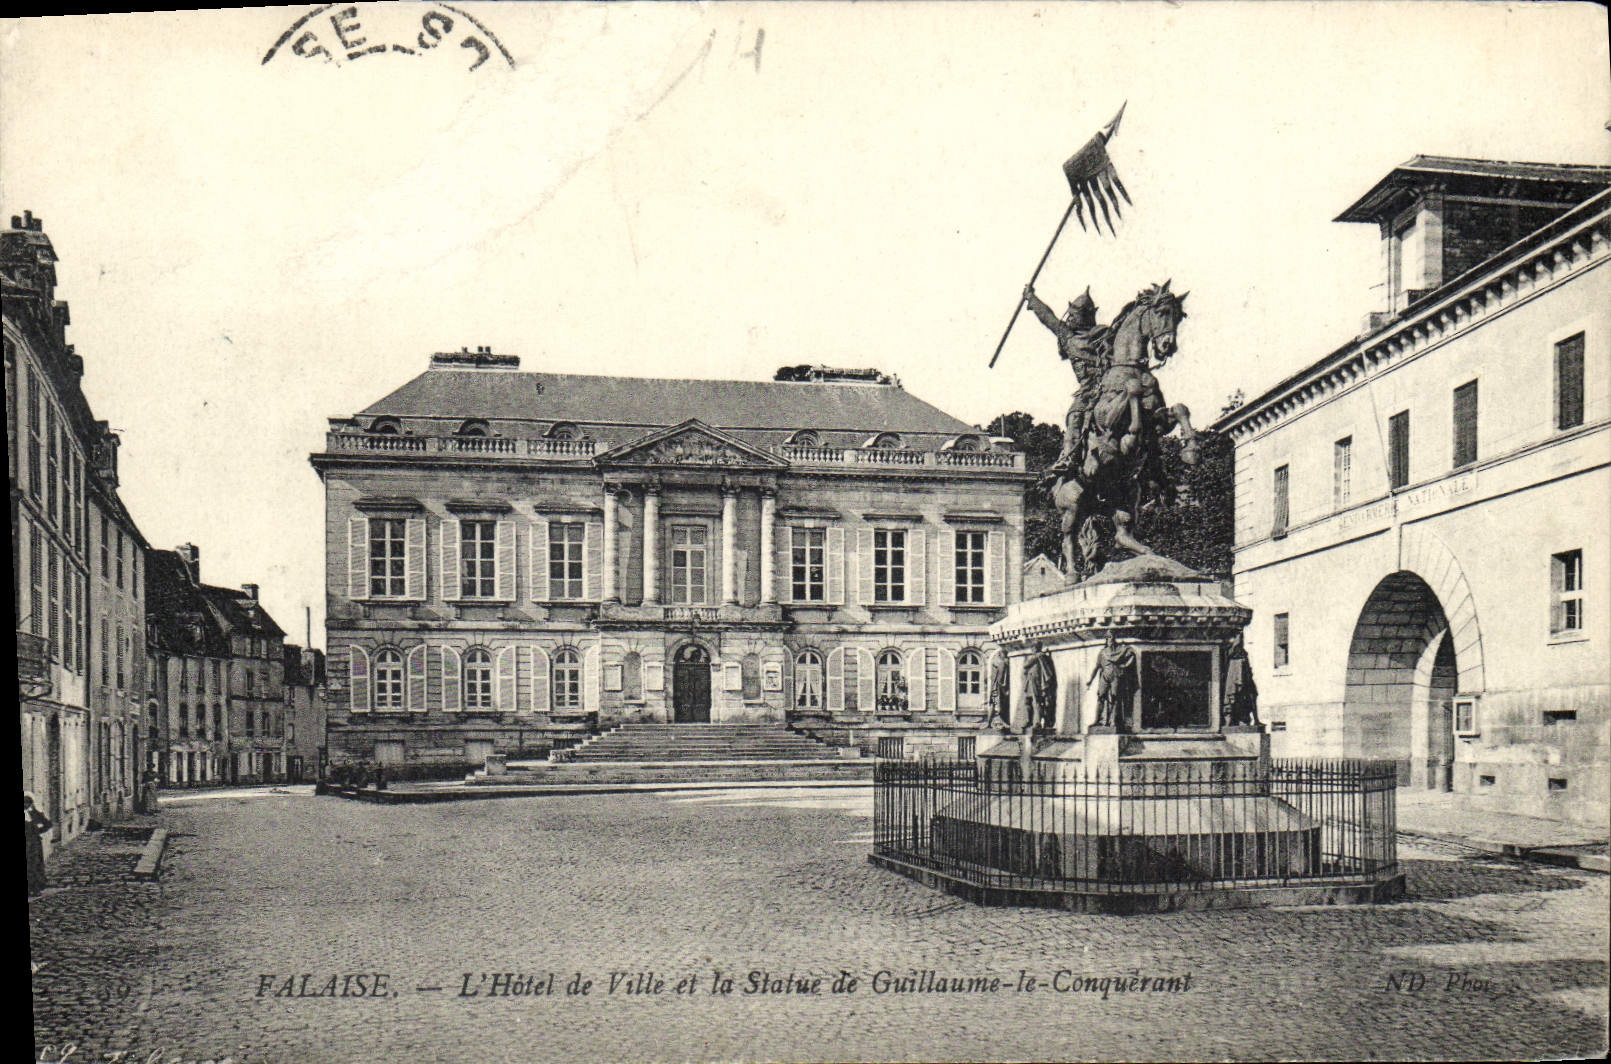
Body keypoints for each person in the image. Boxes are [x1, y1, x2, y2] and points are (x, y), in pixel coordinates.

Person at [1023, 283, 1105, 475]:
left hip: (1108, 384)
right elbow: (1047, 317)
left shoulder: (1103, 334)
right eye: (1070, 314)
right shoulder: (1068, 337)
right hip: (1087, 390)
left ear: (1085, 317)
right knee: (1075, 416)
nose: (1069, 319)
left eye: (1074, 315)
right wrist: (1031, 298)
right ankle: (1068, 458)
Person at [1090, 631, 1137, 730]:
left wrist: (1124, 665)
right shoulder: (1102, 653)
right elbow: (1097, 667)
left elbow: (1132, 654)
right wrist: (1090, 680)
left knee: (1115, 698)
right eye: (1107, 638)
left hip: (1116, 676)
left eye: (1110, 637)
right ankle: (1098, 720)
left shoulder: (1121, 650)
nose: (1109, 639)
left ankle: (1113, 720)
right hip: (1105, 677)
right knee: (1101, 697)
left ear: (1114, 638)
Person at [25, 792, 52, 898]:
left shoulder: (35, 813)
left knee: (34, 865)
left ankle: (35, 888)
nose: (26, 805)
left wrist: (38, 831)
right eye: (24, 802)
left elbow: (48, 824)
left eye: (28, 802)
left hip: (34, 844)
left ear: (32, 803)